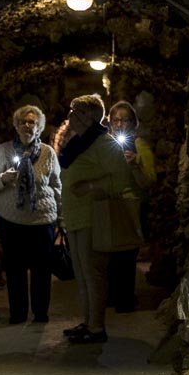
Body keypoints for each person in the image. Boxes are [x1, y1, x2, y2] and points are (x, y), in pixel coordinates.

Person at [56, 95, 134, 344]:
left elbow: (121, 179)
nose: (69, 116)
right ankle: (88, 321)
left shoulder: (103, 143)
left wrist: (90, 185)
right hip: (77, 216)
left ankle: (97, 327)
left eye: (75, 111)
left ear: (88, 116)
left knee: (94, 272)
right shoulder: (78, 143)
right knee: (81, 272)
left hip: (93, 217)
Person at [0, 105, 62, 324]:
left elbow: (56, 184)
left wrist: (60, 211)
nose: (28, 126)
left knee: (42, 271)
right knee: (15, 270)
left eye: (32, 122)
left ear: (39, 127)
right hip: (12, 219)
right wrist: (3, 179)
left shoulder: (47, 152)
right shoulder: (5, 150)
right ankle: (18, 314)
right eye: (24, 122)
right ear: (16, 126)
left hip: (42, 219)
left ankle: (40, 314)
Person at [105, 101, 156, 313]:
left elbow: (149, 181)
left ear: (132, 122)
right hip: (109, 205)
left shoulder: (140, 146)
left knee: (126, 255)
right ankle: (111, 296)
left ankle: (125, 299)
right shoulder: (105, 145)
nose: (119, 124)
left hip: (131, 205)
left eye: (124, 119)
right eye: (115, 120)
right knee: (108, 254)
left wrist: (135, 165)